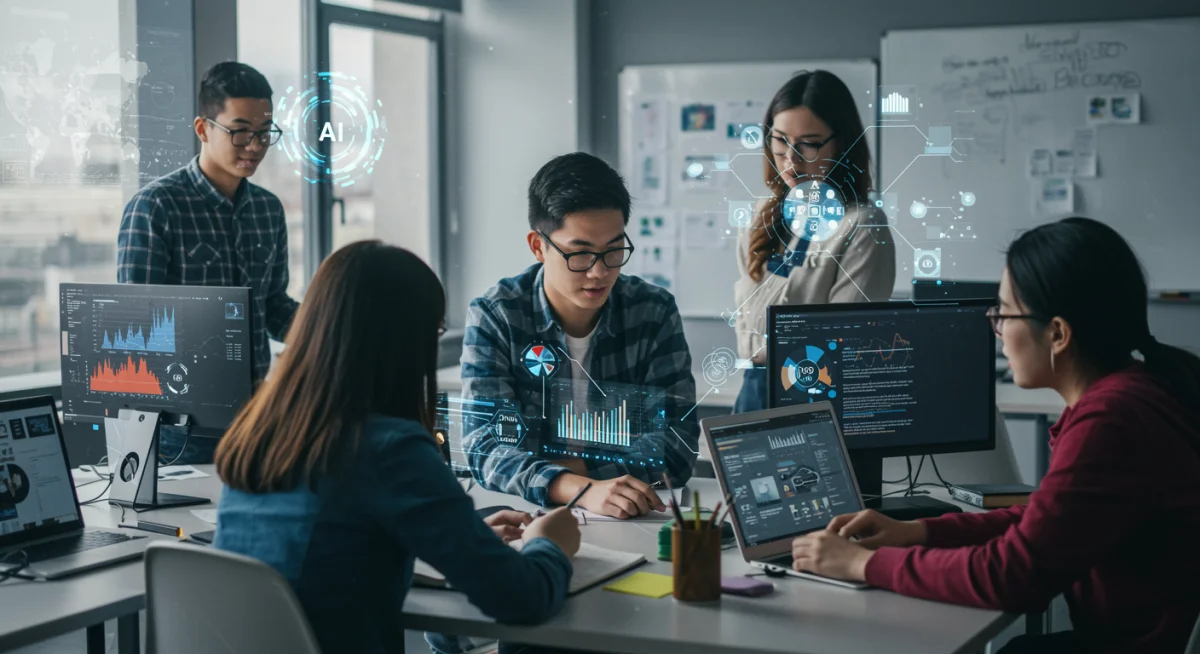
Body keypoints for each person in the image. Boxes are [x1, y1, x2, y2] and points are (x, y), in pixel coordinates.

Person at [786, 218, 1200, 653]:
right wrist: (917, 532)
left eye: (1004, 313)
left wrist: (863, 564)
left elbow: (1012, 576)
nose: (996, 328)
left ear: (1058, 334)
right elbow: (1044, 519)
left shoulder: (1111, 419)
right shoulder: (1137, 389)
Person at [212, 241, 580, 654]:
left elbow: (337, 545)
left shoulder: (259, 431)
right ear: (406, 342)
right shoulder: (389, 450)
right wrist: (549, 543)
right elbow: (523, 600)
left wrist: (465, 539)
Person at [461, 152, 699, 520]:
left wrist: (578, 475)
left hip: (629, 515)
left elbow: (678, 440)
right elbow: (486, 446)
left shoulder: (652, 311)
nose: (599, 272)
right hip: (529, 514)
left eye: (614, 251)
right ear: (538, 246)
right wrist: (580, 488)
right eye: (580, 254)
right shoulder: (498, 316)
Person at [117, 61, 299, 385]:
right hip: (184, 406)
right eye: (241, 131)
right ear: (203, 129)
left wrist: (329, 331)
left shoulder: (268, 209)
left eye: (265, 131)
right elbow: (137, 326)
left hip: (255, 401)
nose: (256, 145)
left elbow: (272, 305)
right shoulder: (156, 207)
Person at [733, 70, 895, 413]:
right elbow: (747, 319)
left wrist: (775, 351)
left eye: (808, 143)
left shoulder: (862, 226)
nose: (790, 159)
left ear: (842, 143)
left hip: (821, 403)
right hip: (755, 390)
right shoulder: (762, 213)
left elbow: (847, 341)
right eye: (779, 140)